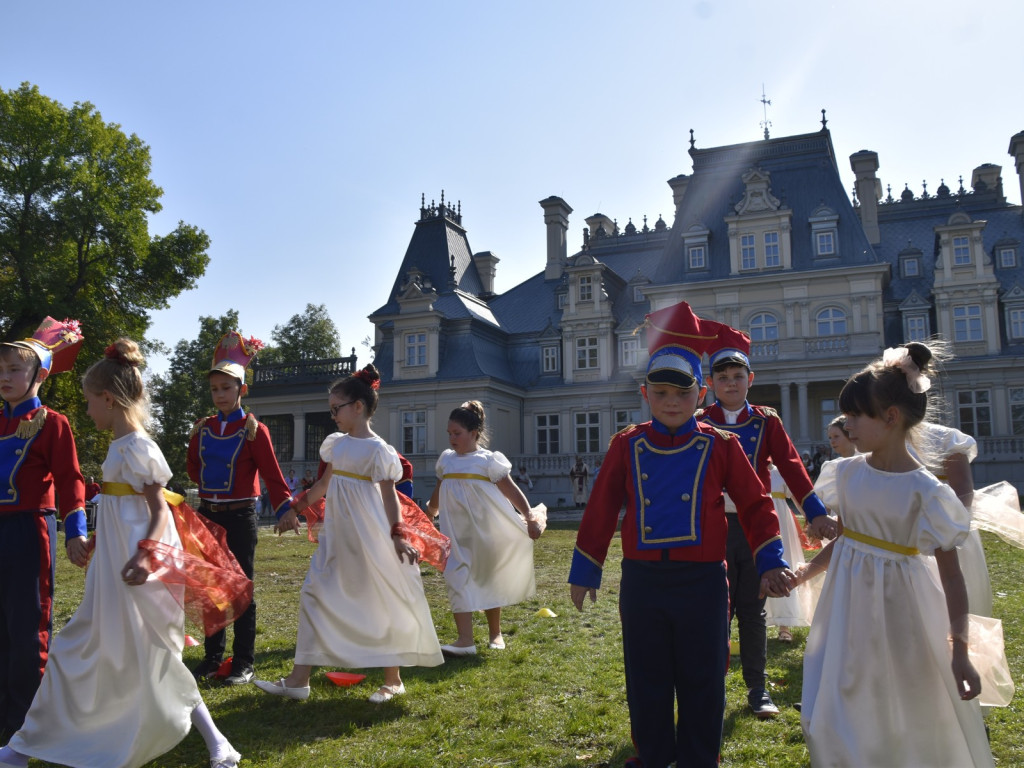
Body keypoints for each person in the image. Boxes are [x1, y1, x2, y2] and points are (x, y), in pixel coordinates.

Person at [568, 301, 795, 768]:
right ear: (644, 392)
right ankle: (653, 756)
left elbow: (755, 505)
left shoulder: (720, 444)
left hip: (704, 582)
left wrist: (771, 561)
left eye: (683, 390)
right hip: (643, 582)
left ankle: (697, 759)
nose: (672, 400)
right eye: (661, 390)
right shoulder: (626, 444)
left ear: (701, 392)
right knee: (646, 677)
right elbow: (601, 507)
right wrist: (585, 569)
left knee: (703, 677)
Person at [0, 339, 243, 768]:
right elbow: (117, 505)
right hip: (115, 563)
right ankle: (24, 746)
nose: (87, 410)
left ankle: (218, 742)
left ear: (109, 400)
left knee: (149, 654)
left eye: (90, 401)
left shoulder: (138, 447)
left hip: (136, 569)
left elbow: (156, 510)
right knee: (88, 647)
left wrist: (144, 556)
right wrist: (99, 539)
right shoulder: (119, 446)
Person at [796, 343, 993, 767]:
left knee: (906, 705)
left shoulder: (927, 492)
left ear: (890, 417)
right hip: (847, 610)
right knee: (835, 706)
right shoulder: (845, 474)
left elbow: (952, 576)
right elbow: (846, 540)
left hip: (904, 612)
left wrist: (959, 649)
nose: (845, 423)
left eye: (854, 416)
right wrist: (804, 573)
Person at [256, 365, 443, 704]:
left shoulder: (378, 451)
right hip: (338, 538)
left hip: (371, 536)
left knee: (382, 600)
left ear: (358, 406)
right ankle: (298, 680)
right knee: (314, 594)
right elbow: (323, 487)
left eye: (336, 408)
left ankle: (393, 680)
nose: (333, 416)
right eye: (331, 409)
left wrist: (399, 534)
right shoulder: (336, 446)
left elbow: (390, 497)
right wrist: (293, 510)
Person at [699, 325, 836, 718]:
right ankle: (712, 689)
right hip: (712, 530)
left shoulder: (766, 422)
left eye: (737, 376)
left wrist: (816, 513)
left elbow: (792, 468)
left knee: (753, 609)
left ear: (750, 380)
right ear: (710, 383)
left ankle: (758, 690)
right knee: (715, 611)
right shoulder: (698, 419)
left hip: (757, 530)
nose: (730, 383)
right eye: (722, 377)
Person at [187, 331, 293, 686]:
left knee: (241, 587)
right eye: (215, 389)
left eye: (226, 389)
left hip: (240, 515)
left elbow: (273, 475)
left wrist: (284, 509)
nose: (219, 395)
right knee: (211, 588)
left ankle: (244, 661)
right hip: (208, 514)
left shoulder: (253, 430)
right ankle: (213, 657)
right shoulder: (202, 430)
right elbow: (192, 469)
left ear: (241, 391)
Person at [0, 318, 87, 741]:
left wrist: (75, 529)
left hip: (29, 531)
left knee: (27, 625)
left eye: (14, 369)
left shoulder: (52, 422)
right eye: (0, 369)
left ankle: (28, 720)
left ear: (39, 374)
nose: (5, 377)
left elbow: (71, 478)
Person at [426, 401, 542, 655]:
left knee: (488, 579)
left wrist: (529, 516)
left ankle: (495, 633)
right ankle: (465, 641)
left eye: (457, 433)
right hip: (455, 534)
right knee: (456, 577)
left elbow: (511, 490)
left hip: (486, 532)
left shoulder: (488, 461)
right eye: (449, 433)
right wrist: (431, 512)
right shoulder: (446, 460)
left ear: (474, 433)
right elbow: (438, 490)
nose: (452, 438)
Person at [764, 462, 816, 642]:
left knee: (784, 564)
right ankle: (755, 623)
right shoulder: (747, 466)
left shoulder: (781, 472)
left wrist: (812, 517)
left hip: (781, 526)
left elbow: (798, 496)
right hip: (757, 522)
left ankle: (784, 626)